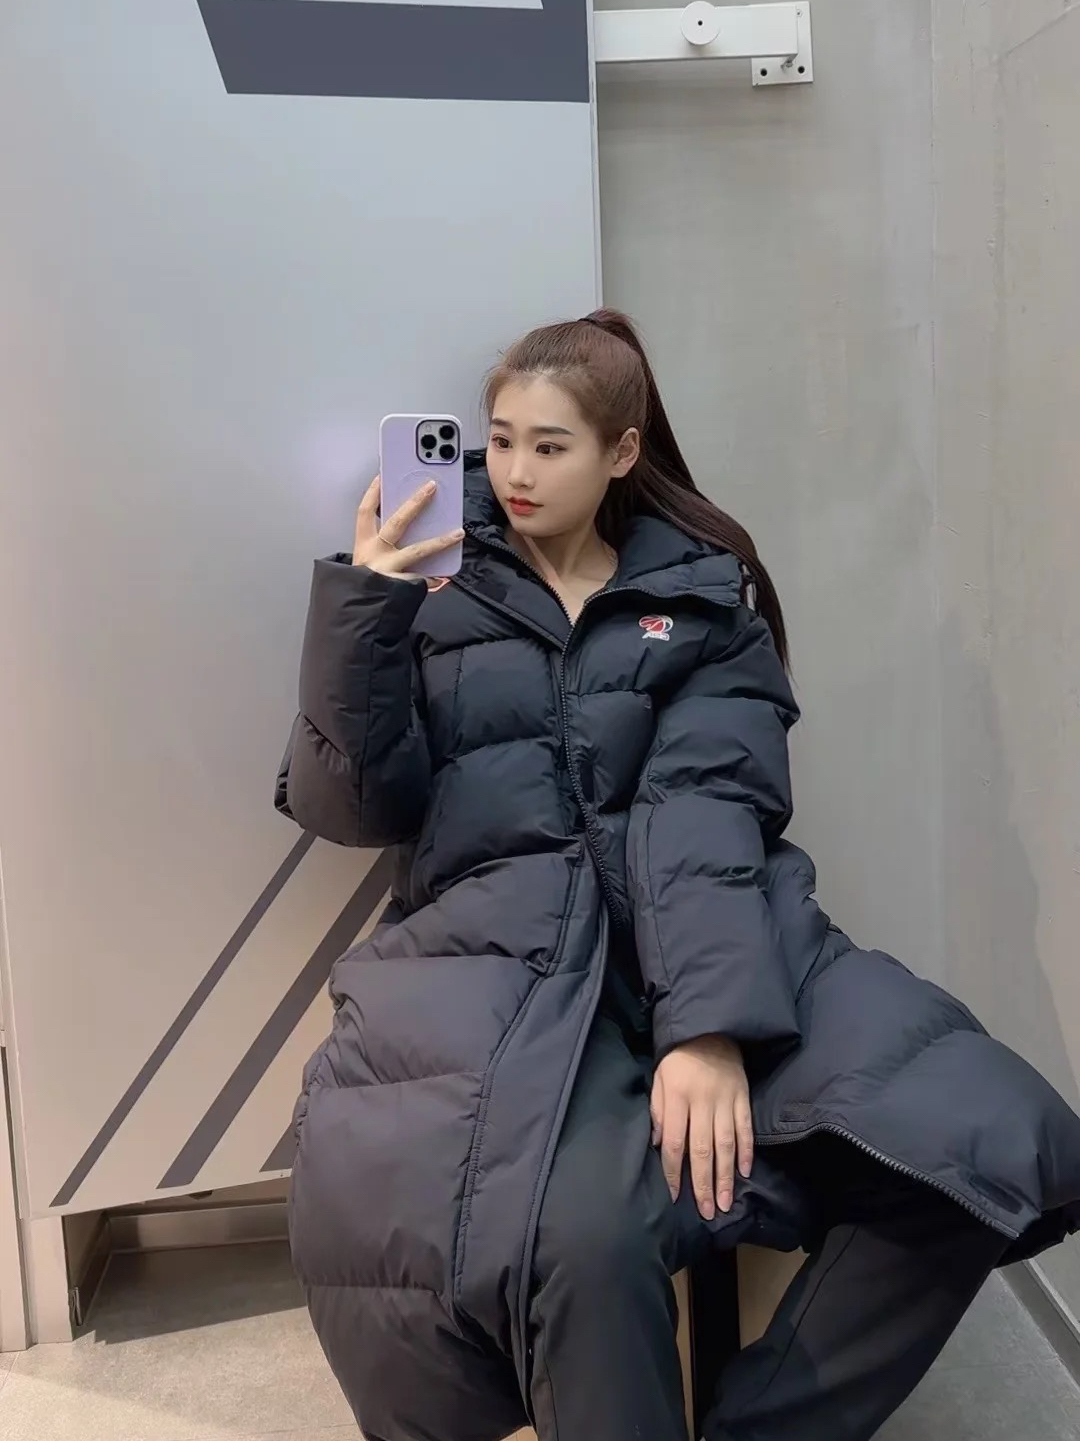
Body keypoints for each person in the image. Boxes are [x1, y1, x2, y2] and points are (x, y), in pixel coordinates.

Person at [276, 310, 1080, 1441]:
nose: (514, 472)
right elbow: (351, 808)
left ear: (621, 452)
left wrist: (709, 1027)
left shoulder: (702, 603)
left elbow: (701, 814)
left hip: (717, 936)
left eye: (549, 445)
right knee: (580, 1239)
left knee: (989, 1132)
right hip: (497, 956)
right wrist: (368, 607)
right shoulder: (433, 596)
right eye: (500, 440)